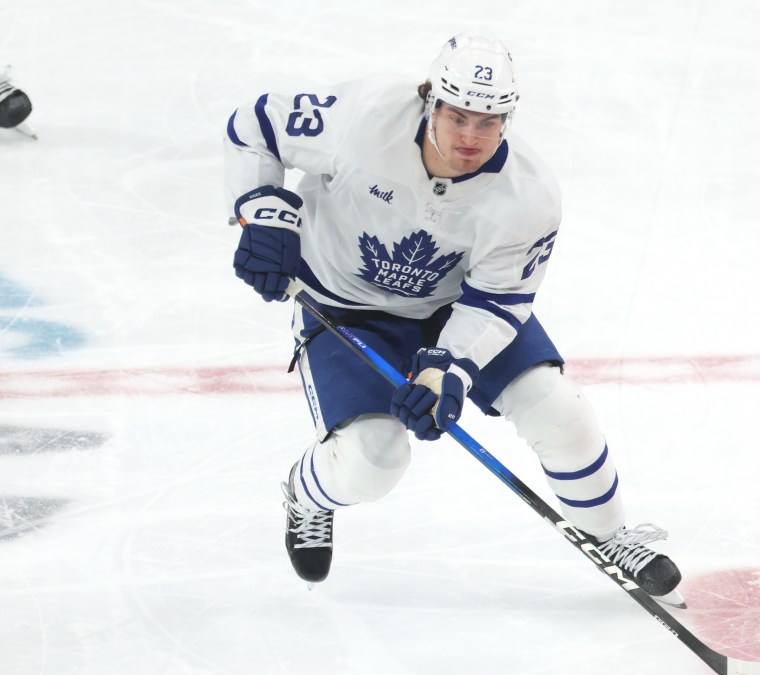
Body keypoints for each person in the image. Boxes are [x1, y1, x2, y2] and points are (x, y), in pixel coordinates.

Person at [223, 34, 685, 606]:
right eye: (458, 116)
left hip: (453, 308)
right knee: (373, 459)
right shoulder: (362, 118)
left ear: (507, 119)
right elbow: (257, 125)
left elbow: (498, 302)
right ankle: (308, 492)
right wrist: (262, 211)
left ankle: (611, 536)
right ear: (430, 101)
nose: (470, 136)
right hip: (344, 306)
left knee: (558, 409)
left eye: (488, 121)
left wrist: (451, 372)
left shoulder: (528, 195)